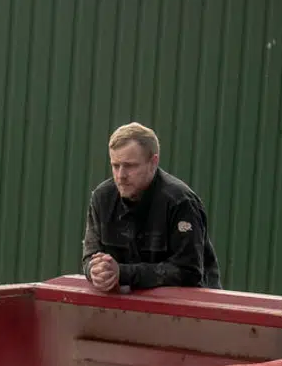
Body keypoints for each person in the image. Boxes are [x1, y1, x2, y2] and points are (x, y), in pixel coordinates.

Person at [81, 122, 221, 293]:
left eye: (130, 166)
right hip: (125, 308)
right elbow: (90, 256)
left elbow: (188, 272)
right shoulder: (102, 198)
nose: (121, 175)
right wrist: (95, 271)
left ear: (153, 162)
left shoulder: (180, 202)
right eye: (115, 165)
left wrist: (122, 273)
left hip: (186, 310)